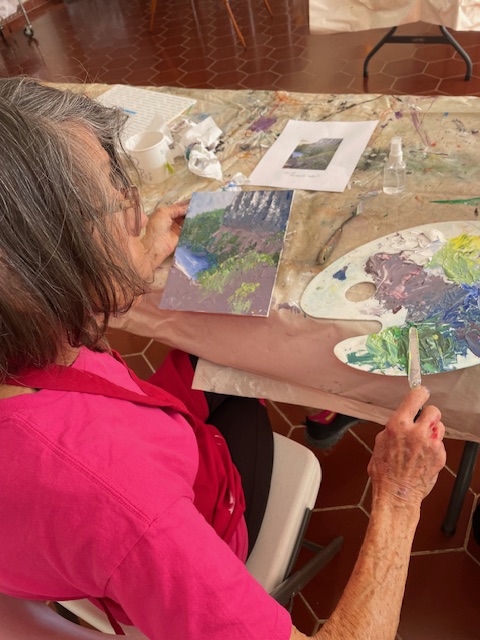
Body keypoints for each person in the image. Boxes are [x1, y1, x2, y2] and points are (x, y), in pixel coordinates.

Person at [0, 76, 446, 640]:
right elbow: (123, 499)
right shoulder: (122, 498)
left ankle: (322, 409)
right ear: (50, 265)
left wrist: (132, 260)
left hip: (117, 481)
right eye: (117, 198)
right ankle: (324, 413)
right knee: (246, 376)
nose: (136, 210)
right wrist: (400, 498)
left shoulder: (20, 330)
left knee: (222, 350)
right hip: (198, 516)